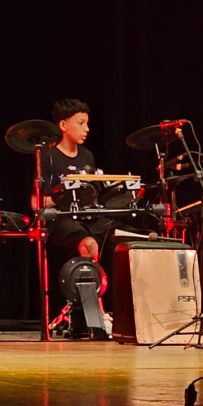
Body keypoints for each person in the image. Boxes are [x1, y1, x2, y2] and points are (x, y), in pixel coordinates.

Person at [30, 98, 122, 338]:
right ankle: (98, 316)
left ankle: (123, 314)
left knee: (120, 237)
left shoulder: (87, 156)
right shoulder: (48, 157)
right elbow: (36, 203)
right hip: (61, 221)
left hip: (87, 217)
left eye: (87, 123)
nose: (86, 129)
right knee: (88, 244)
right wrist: (63, 195)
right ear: (63, 125)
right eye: (80, 123)